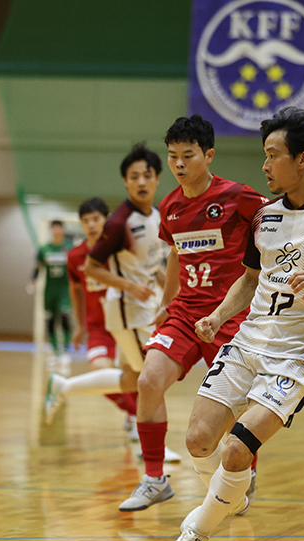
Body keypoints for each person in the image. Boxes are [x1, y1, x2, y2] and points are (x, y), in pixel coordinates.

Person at [162, 107, 304, 541]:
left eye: (272, 154)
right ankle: (230, 495)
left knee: (236, 451)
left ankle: (196, 532)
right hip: (248, 341)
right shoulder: (265, 216)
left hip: (299, 355)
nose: (264, 165)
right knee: (198, 439)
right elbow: (248, 280)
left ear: (303, 159)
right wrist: (218, 316)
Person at [118, 114, 268, 512]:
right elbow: (175, 255)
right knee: (148, 381)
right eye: (173, 156)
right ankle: (154, 479)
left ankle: (243, 473)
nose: (179, 163)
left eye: (188, 155)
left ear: (209, 155)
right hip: (185, 313)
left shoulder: (239, 197)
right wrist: (167, 302)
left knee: (232, 407)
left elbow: (276, 228)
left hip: (229, 316)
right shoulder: (169, 206)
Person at [44, 144, 180, 462]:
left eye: (147, 175)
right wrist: (130, 286)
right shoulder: (119, 222)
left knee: (134, 379)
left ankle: (64, 387)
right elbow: (91, 268)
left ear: (158, 178)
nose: (141, 181)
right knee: (152, 378)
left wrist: (173, 297)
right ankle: (155, 449)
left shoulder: (155, 216)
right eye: (134, 176)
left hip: (144, 310)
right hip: (127, 311)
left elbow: (152, 267)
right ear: (125, 181)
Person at [66, 196, 139, 438]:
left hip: (126, 322)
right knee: (100, 372)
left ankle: (140, 419)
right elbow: (75, 290)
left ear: (106, 220)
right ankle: (135, 414)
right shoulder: (75, 256)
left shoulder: (120, 251)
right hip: (98, 327)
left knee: (136, 374)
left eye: (96, 219)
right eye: (86, 220)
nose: (91, 225)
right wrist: (80, 325)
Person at [28, 220, 73, 371]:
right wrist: (32, 282)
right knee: (51, 320)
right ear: (51, 230)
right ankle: (55, 352)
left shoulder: (69, 248)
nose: (57, 230)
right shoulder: (44, 249)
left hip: (65, 289)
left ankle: (65, 351)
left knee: (65, 316)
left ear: (63, 230)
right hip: (50, 290)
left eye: (59, 228)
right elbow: (37, 267)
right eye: (54, 228)